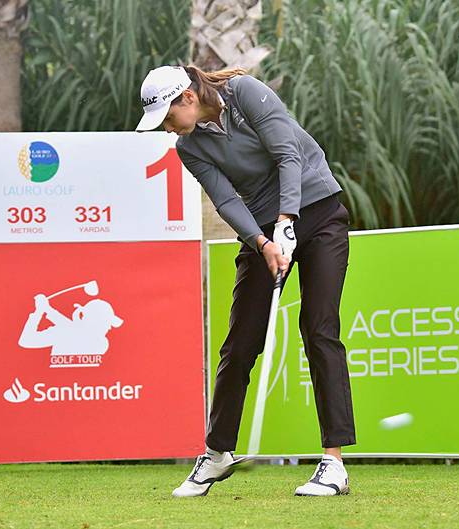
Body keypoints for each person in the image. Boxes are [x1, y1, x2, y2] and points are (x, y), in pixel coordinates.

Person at [135, 64, 356, 497]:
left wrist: (287, 219)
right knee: (239, 344)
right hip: (262, 232)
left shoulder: (245, 94)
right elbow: (224, 199)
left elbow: (288, 154)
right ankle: (217, 455)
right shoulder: (188, 146)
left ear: (187, 99)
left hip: (320, 211)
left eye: (166, 117)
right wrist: (262, 240)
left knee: (319, 329)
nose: (167, 128)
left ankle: (333, 464)